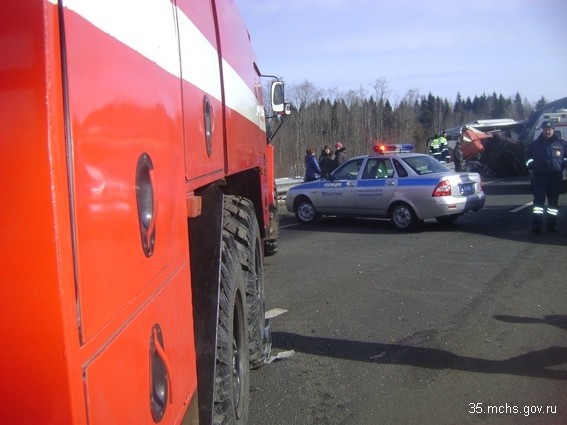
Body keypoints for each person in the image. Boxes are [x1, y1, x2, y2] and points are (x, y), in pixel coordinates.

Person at [525, 120, 567, 233]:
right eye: (545, 129)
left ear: (553, 130)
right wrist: (531, 165)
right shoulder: (535, 144)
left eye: (550, 129)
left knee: (553, 203)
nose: (548, 131)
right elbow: (527, 157)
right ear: (542, 130)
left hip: (555, 177)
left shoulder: (561, 143)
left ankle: (552, 225)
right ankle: (536, 225)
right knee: (538, 202)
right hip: (540, 177)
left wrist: (564, 165)